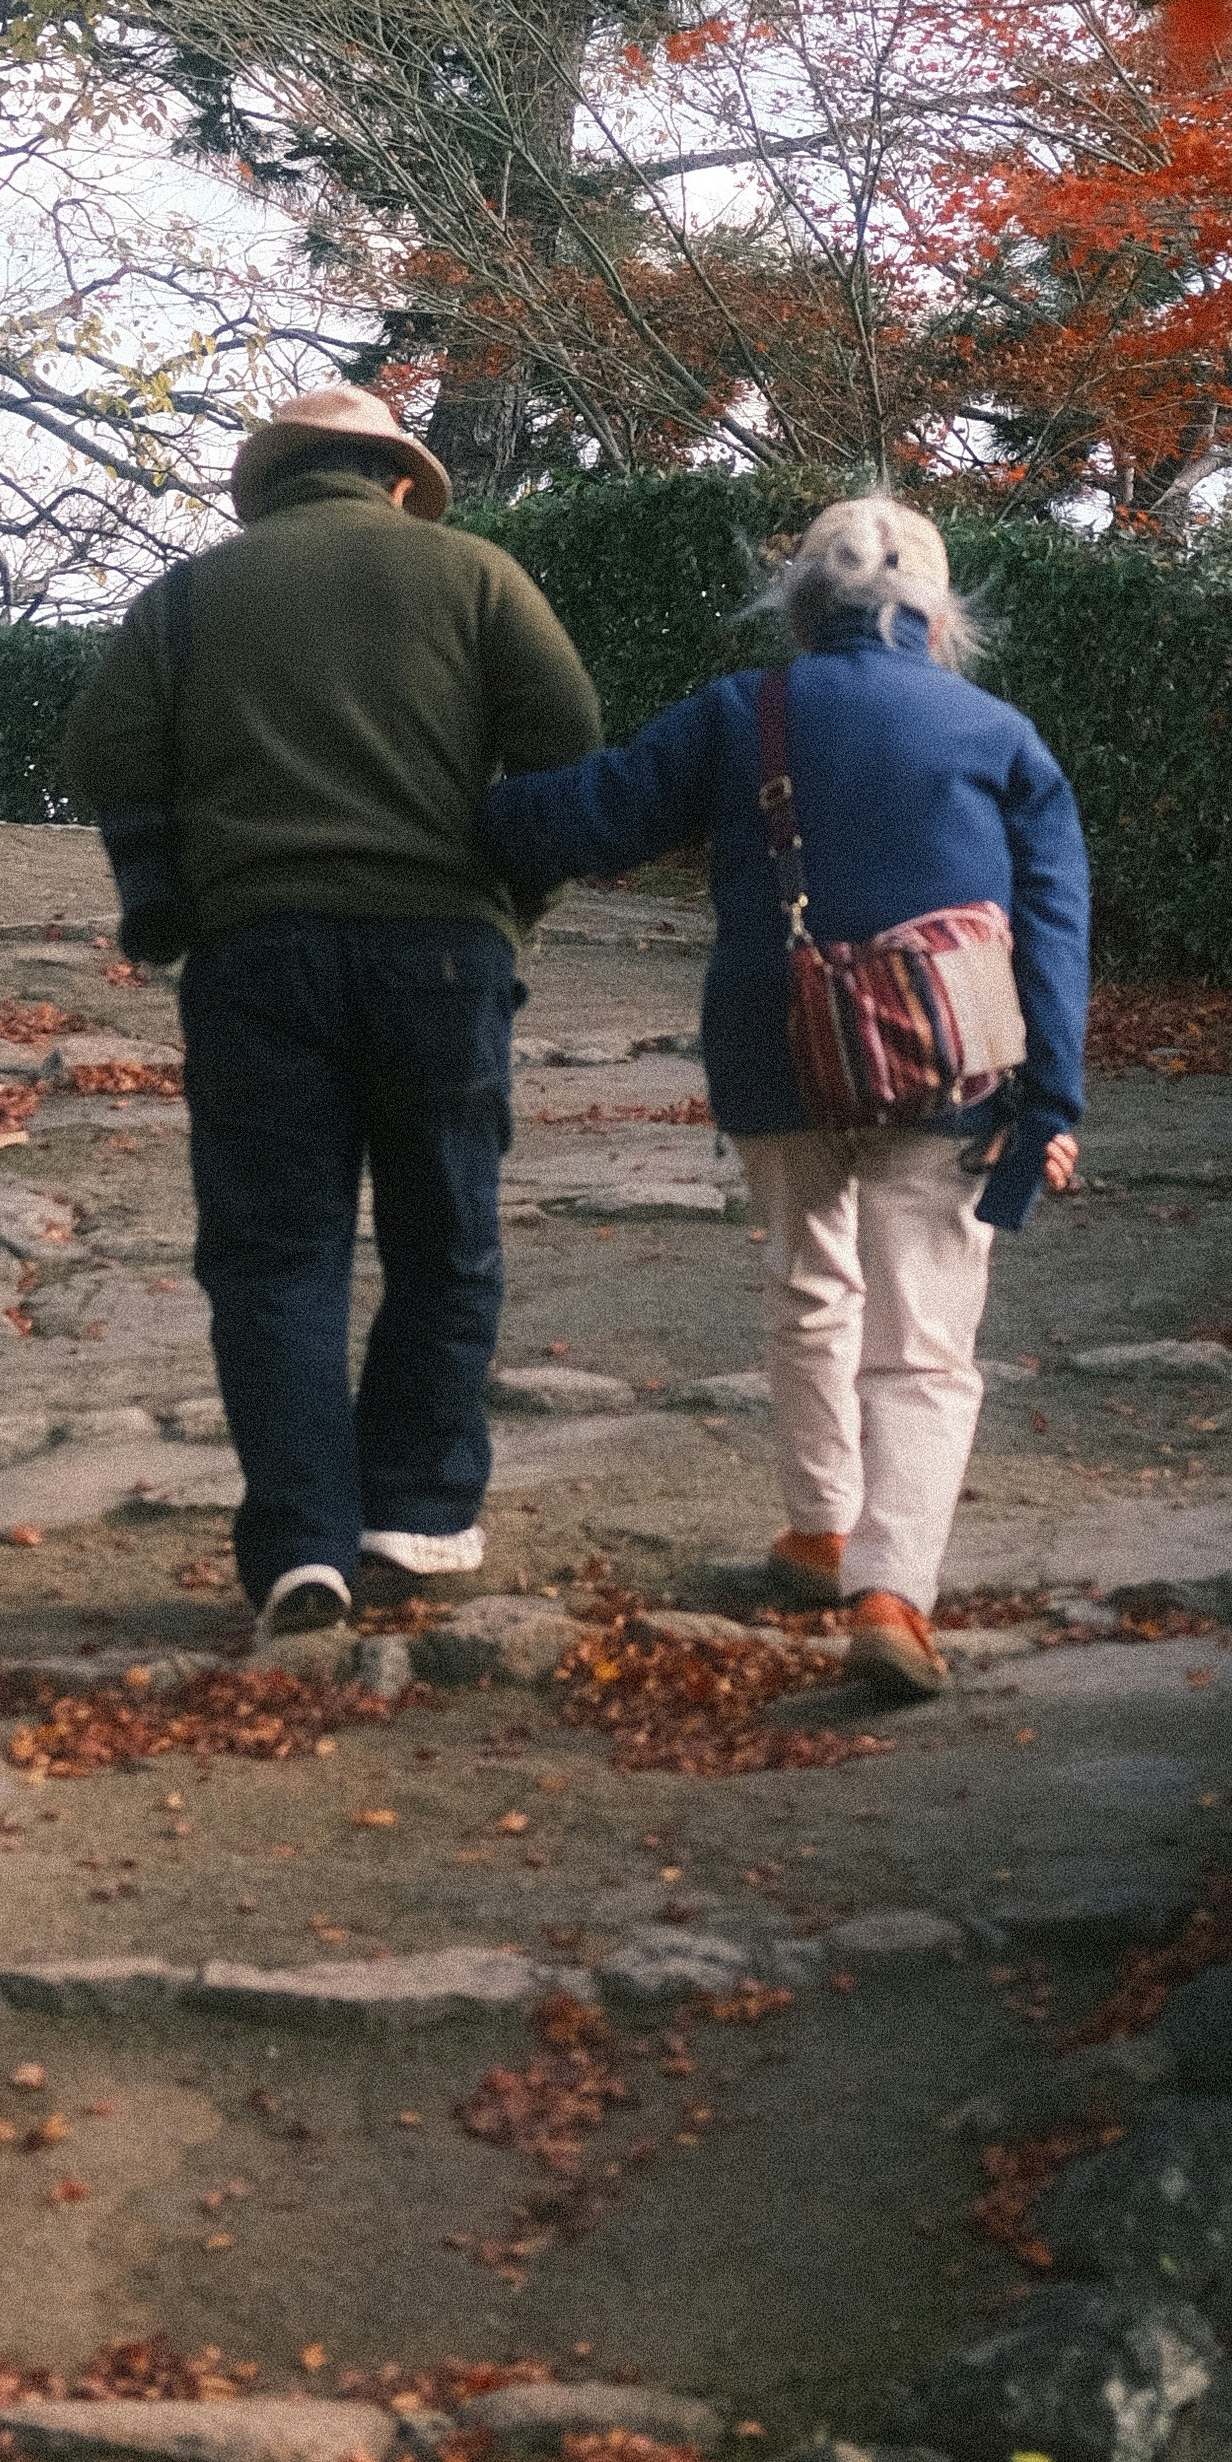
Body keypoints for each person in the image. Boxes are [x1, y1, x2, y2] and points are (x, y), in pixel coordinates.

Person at [480, 491, 1086, 1704]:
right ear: (934, 607)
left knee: (809, 1277)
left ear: (798, 602)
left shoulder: (736, 713)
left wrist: (435, 795)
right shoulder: (997, 731)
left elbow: (591, 823)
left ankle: (820, 1528)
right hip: (949, 1052)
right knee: (922, 1340)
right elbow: (1053, 928)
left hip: (779, 1042)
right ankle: (890, 1590)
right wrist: (1052, 1101)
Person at [67, 382, 600, 1652]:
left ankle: (302, 1543)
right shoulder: (472, 573)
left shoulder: (189, 597)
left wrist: (173, 886)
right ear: (397, 480)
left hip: (256, 959)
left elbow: (100, 750)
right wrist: (509, 896)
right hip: (439, 954)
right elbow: (567, 742)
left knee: (274, 1259)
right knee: (444, 1236)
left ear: (271, 488)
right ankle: (414, 1516)